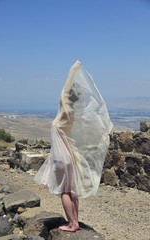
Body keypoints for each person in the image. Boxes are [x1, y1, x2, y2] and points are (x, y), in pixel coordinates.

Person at [34, 60, 113, 232]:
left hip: (61, 157)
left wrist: (74, 69)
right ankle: (75, 221)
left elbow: (66, 88)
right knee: (72, 191)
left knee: (64, 191)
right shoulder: (72, 115)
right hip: (69, 156)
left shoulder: (63, 113)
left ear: (65, 98)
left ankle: (72, 223)